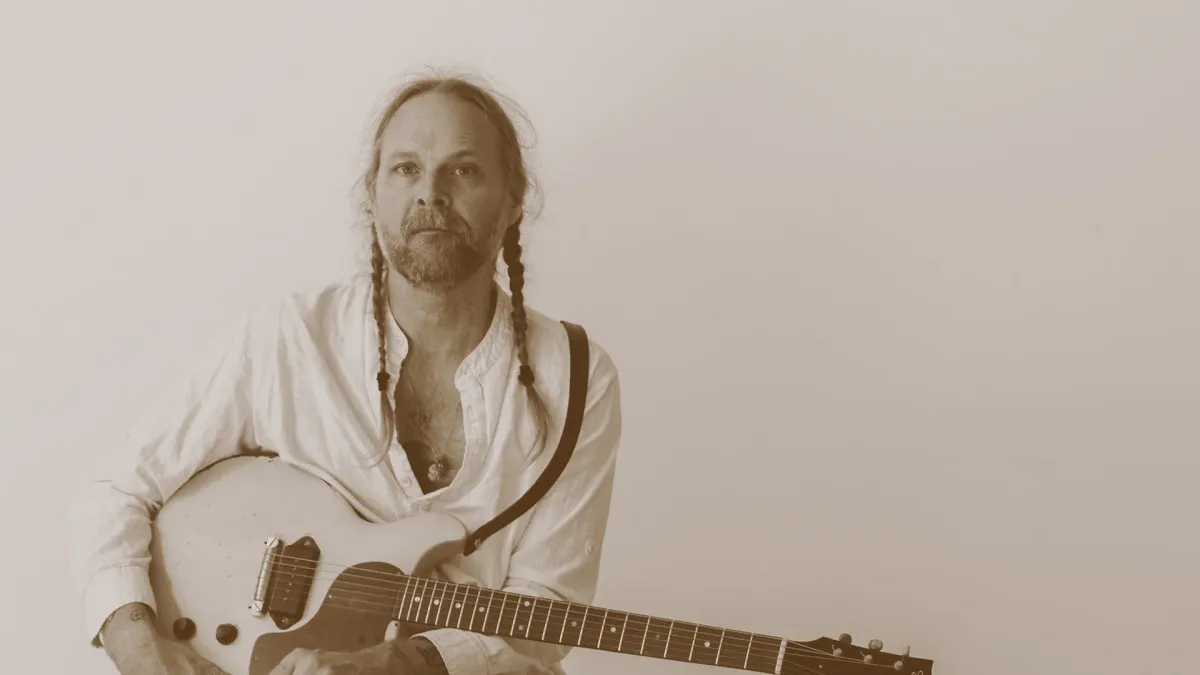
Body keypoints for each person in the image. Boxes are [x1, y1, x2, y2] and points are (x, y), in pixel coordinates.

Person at [67, 71, 624, 675]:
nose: (431, 193)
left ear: (514, 200)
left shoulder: (578, 376)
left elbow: (545, 607)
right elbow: (117, 492)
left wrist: (399, 663)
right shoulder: (286, 340)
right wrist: (141, 651)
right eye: (406, 168)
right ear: (371, 195)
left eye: (463, 170)